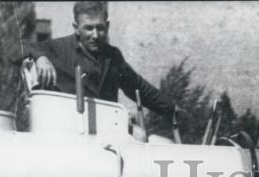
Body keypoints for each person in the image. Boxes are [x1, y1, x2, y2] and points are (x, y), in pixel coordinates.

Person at [21, 1, 177, 116]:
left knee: (140, 137)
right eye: (88, 28)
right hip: (68, 131)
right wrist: (40, 57)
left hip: (106, 130)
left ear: (107, 26)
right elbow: (20, 46)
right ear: (76, 28)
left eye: (100, 28)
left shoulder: (113, 56)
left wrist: (172, 109)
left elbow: (138, 87)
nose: (95, 35)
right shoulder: (58, 49)